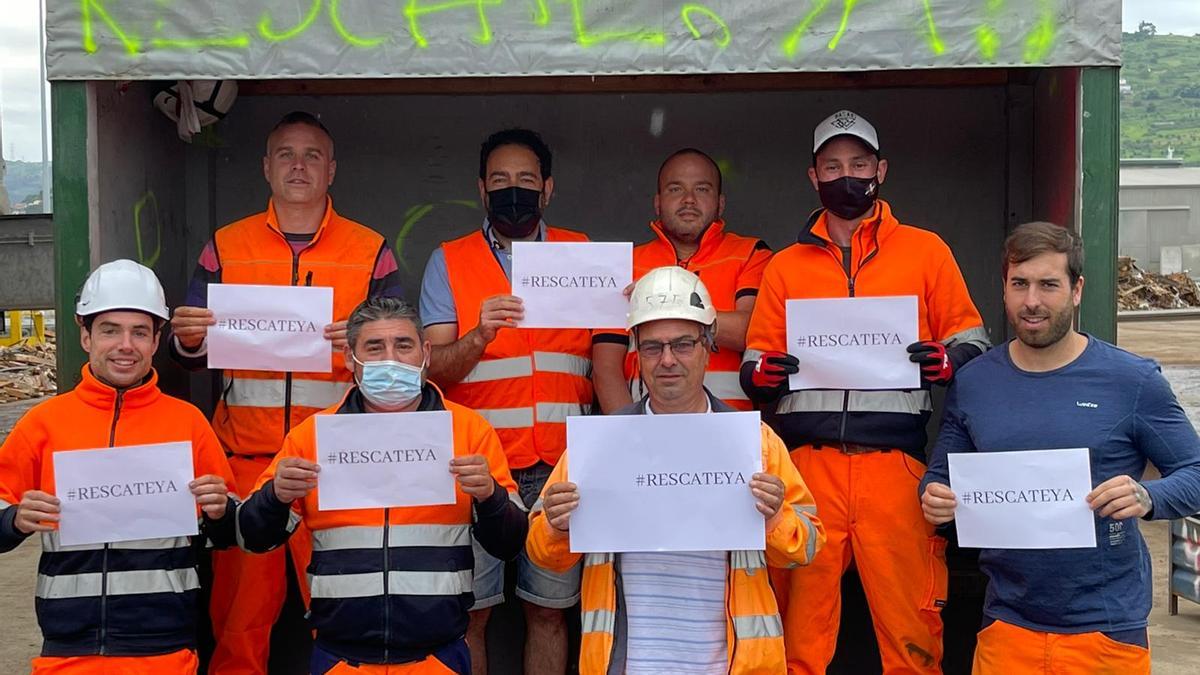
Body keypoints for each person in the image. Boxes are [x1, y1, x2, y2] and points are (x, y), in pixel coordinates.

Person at [740, 109, 991, 674]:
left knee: (911, 634)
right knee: (797, 637)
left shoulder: (927, 251)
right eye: (832, 165)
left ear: (881, 169)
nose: (846, 175)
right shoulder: (784, 266)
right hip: (806, 472)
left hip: (896, 469)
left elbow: (973, 340)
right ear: (813, 176)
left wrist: (947, 361)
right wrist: (765, 376)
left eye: (858, 163)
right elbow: (753, 367)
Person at [168, 110, 405, 675]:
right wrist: (189, 339)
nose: (299, 166)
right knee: (239, 627)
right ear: (265, 168)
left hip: (341, 464)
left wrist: (367, 344)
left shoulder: (371, 250)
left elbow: (403, 355)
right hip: (248, 469)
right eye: (286, 155)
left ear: (332, 171)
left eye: (312, 155)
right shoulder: (225, 245)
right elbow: (191, 356)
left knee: (351, 619)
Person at [920, 221, 1200, 675]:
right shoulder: (974, 383)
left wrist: (1149, 497)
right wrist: (933, 496)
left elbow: (1195, 470)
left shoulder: (1132, 381)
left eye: (1049, 284)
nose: (1032, 301)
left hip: (1105, 631)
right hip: (1005, 627)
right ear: (1005, 289)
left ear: (1077, 289)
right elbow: (941, 474)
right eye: (1020, 284)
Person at [527, 266, 824, 674]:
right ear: (636, 353)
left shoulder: (755, 442)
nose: (667, 360)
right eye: (652, 347)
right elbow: (543, 552)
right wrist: (557, 526)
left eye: (683, 344)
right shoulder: (600, 446)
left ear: (708, 345)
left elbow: (806, 547)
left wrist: (774, 517)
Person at [236, 296, 528, 674]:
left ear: (425, 353)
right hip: (339, 659)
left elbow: (510, 542)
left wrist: (489, 497)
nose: (390, 359)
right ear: (348, 357)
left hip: (438, 657)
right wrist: (276, 496)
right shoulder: (312, 435)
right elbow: (252, 537)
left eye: (403, 345)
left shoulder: (469, 430)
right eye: (375, 347)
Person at [0, 259, 237, 674]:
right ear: (86, 336)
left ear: (156, 339)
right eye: (110, 330)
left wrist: (220, 510)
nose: (125, 345)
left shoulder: (188, 423)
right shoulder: (43, 424)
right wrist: (16, 520)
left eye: (139, 332)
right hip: (68, 651)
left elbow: (232, 530)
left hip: (166, 651)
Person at [419, 128, 590, 674]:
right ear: (480, 189)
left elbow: (610, 353)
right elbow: (432, 371)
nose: (512, 191)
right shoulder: (448, 261)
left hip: (563, 465)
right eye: (499, 181)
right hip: (478, 468)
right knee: (473, 614)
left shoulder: (584, 253)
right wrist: (478, 335)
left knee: (549, 612)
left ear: (547, 188)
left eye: (524, 180)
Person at [592, 148, 772, 412]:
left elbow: (753, 332)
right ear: (657, 202)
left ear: (720, 202)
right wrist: (630, 434)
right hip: (645, 432)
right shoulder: (625, 264)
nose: (689, 200)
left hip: (729, 432)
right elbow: (605, 369)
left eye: (702, 189)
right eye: (676, 189)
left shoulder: (750, 253)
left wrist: (666, 304)